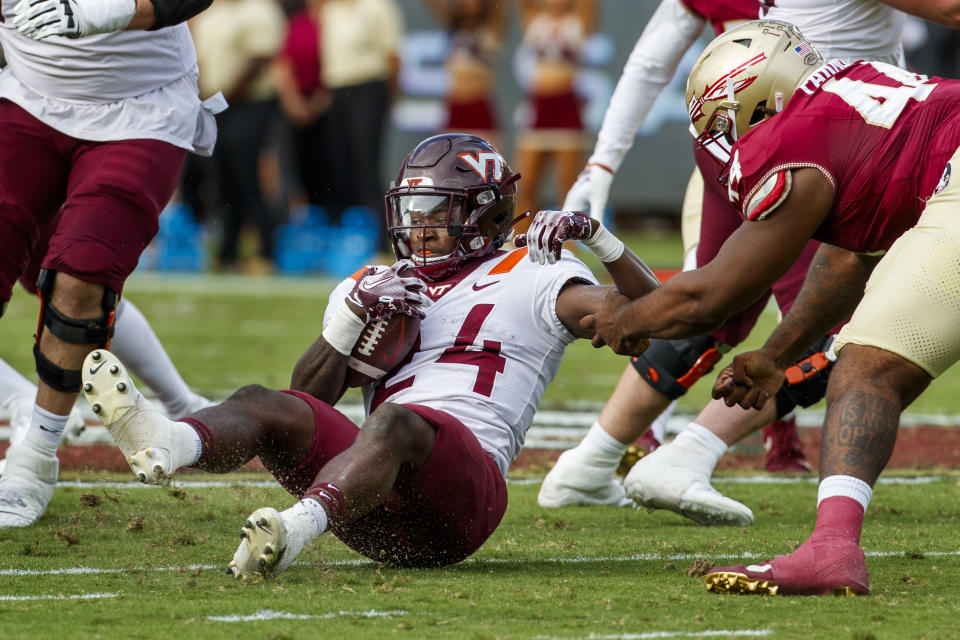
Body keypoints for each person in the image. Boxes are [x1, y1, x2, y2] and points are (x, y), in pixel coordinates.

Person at [79, 133, 660, 577]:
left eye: (438, 212)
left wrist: (599, 239)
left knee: (395, 420)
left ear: (485, 213)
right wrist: (352, 316)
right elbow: (306, 400)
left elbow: (651, 318)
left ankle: (292, 532)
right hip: (368, 500)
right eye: (412, 212)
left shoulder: (534, 272)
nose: (420, 228)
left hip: (462, 502)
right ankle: (168, 440)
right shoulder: (379, 282)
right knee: (264, 401)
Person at [540, 0, 960, 519]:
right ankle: (657, 461)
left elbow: (708, 299)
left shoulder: (800, 142)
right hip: (916, 161)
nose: (729, 141)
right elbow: (848, 259)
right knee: (849, 351)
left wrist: (624, 318)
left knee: (864, 357)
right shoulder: (850, 81)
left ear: (765, 102)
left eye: (729, 122)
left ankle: (817, 532)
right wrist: (777, 354)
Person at [0, 0, 223, 528]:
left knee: (81, 279)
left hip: (139, 105)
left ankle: (34, 458)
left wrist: (111, 13)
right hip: (26, 94)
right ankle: (20, 400)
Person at [191, 0, 287, 272]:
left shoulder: (260, 9)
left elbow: (259, 58)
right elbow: (197, 60)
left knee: (247, 173)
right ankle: (228, 250)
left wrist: (220, 99)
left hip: (250, 102)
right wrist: (207, 99)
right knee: (221, 176)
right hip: (217, 104)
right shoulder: (212, 12)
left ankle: (266, 249)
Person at [320, 0, 403, 236]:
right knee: (339, 163)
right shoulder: (331, 9)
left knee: (365, 164)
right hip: (337, 90)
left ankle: (379, 237)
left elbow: (393, 57)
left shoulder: (376, 7)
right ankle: (348, 234)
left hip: (368, 88)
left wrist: (390, 98)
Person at [513, 0, 595, 220]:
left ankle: (568, 247)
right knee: (525, 185)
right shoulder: (535, 18)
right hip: (539, 107)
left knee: (567, 189)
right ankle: (523, 241)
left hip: (566, 108)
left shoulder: (578, 21)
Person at [272, 0, 333, 209]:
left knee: (332, 168)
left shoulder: (337, 21)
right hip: (296, 103)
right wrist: (294, 101)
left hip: (330, 102)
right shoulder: (296, 22)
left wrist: (322, 99)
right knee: (297, 167)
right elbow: (283, 61)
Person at [424, 0, 505, 146]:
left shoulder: (491, 27)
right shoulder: (453, 26)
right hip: (455, 105)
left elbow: (499, 6)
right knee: (448, 162)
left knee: (487, 160)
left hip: (478, 106)